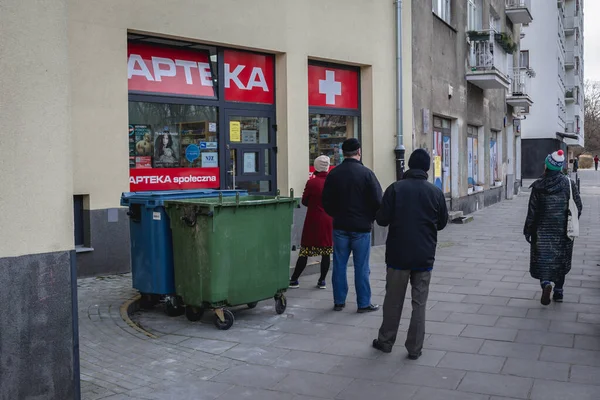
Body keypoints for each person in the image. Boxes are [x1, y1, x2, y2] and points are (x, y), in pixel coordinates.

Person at [371, 149, 448, 360]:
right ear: (426, 168)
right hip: (424, 255)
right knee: (419, 303)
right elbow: (441, 223)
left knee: (393, 300)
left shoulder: (395, 189)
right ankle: (414, 348)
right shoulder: (435, 192)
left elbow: (382, 219)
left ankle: (386, 341)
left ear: (409, 166)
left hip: (398, 255)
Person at [322, 138, 383, 313]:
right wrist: (369, 217)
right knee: (362, 266)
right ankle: (363, 303)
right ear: (359, 152)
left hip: (340, 225)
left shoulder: (334, 174)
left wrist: (336, 214)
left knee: (339, 265)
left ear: (343, 153)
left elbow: (326, 201)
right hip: (361, 227)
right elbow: (378, 200)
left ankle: (339, 301)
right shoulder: (367, 174)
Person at [524, 150, 582, 305]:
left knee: (543, 260)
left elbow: (532, 210)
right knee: (560, 261)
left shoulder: (538, 185)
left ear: (547, 166)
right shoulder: (569, 184)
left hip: (541, 231)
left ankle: (546, 284)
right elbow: (578, 206)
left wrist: (528, 230)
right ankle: (559, 291)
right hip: (563, 231)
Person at [289, 155, 333, 289]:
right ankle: (322, 280)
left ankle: (295, 279)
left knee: (305, 250)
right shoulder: (333, 182)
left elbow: (304, 201)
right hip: (328, 220)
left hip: (313, 220)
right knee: (326, 252)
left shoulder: (312, 182)